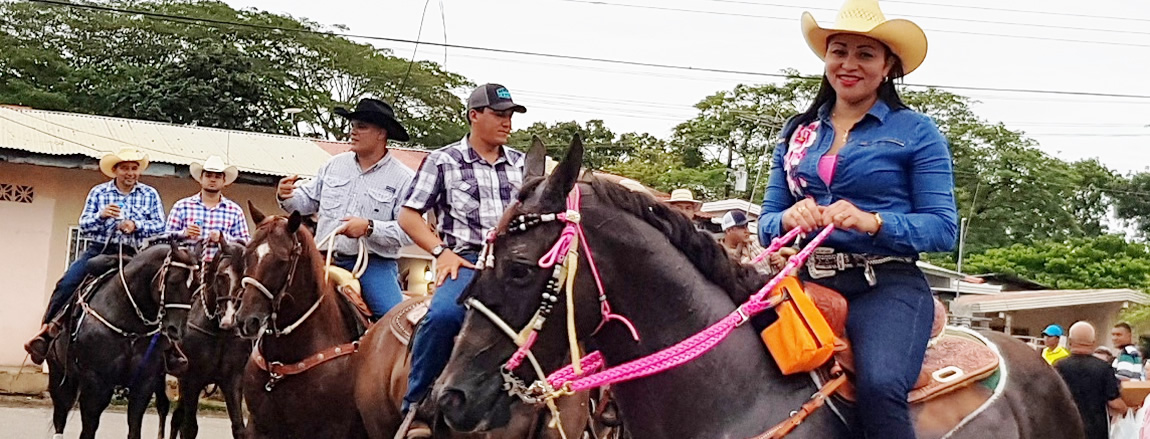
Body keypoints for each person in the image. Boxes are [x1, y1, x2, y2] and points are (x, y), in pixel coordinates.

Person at [758, 1, 957, 437]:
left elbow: (944, 228)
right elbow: (766, 223)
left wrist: (874, 222)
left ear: (887, 67)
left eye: (865, 54)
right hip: (803, 283)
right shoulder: (797, 132)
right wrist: (788, 218)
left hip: (883, 285)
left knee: (881, 386)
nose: (849, 64)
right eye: (839, 51)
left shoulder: (916, 132)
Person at [397, 83, 527, 439]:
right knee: (442, 317)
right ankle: (418, 406)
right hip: (467, 261)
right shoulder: (443, 161)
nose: (507, 123)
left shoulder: (522, 164)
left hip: (517, 265)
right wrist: (442, 252)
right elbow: (408, 215)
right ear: (474, 115)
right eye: (499, 115)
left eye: (510, 116)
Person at [24, 148, 167, 364]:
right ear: (115, 170)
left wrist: (136, 225)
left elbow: (160, 226)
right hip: (100, 250)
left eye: (134, 168)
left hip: (136, 254)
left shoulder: (150, 194)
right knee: (67, 283)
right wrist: (101, 216)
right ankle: (46, 332)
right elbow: (84, 225)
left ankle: (168, 345)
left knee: (164, 289)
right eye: (125, 168)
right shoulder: (99, 193)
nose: (130, 173)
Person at [276, 98, 414, 320]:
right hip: (320, 258)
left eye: (362, 126)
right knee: (273, 300)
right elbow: (306, 201)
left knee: (393, 319)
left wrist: (369, 228)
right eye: (353, 126)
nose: (353, 132)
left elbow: (409, 232)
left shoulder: (404, 179)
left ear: (381, 133)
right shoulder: (334, 165)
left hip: (373, 264)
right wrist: (286, 196)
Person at [166, 156, 250, 261]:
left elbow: (245, 243)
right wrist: (184, 233)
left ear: (224, 181)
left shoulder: (235, 211)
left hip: (221, 266)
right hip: (187, 264)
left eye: (217, 177)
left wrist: (222, 239)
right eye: (208, 175)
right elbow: (165, 237)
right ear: (201, 179)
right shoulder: (182, 206)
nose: (212, 180)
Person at [1056, 322, 1126, 439]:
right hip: (1095, 431)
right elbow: (1114, 402)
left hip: (1065, 429)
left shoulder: (1058, 367)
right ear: (1093, 343)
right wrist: (1127, 409)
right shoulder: (1103, 368)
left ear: (1070, 341)